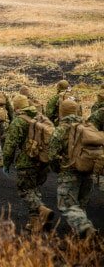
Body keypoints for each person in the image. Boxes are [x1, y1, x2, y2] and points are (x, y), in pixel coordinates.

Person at [3, 95, 54, 233]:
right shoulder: (40, 117)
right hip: (43, 161)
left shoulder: (18, 122)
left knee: (25, 190)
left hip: (27, 163)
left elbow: (10, 145)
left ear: (17, 107)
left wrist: (6, 163)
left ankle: (41, 209)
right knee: (34, 189)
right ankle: (34, 223)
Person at [48, 99, 98, 239]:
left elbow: (51, 155)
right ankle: (80, 239)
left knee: (67, 205)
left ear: (61, 112)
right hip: (88, 172)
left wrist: (58, 169)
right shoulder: (88, 126)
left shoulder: (61, 129)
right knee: (80, 206)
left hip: (69, 173)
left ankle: (85, 228)